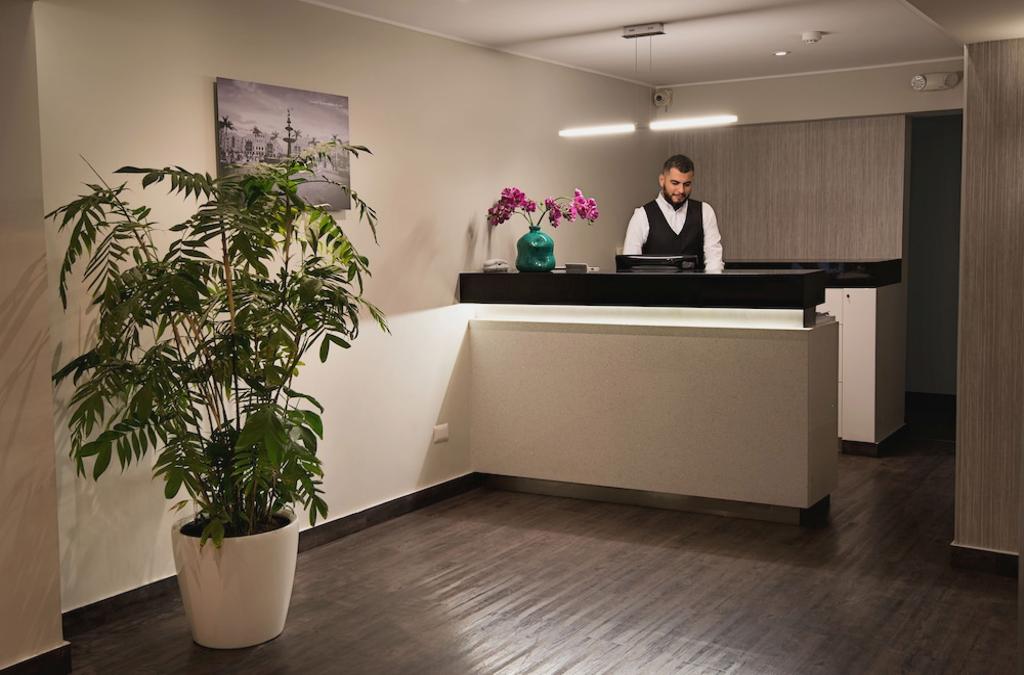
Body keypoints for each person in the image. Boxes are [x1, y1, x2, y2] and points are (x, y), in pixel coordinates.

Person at [622, 154, 724, 273]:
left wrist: (712, 283)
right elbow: (630, 267)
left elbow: (714, 261)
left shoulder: (705, 211)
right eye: (675, 183)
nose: (681, 190)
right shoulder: (641, 216)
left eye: (687, 184)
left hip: (697, 285)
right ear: (662, 180)